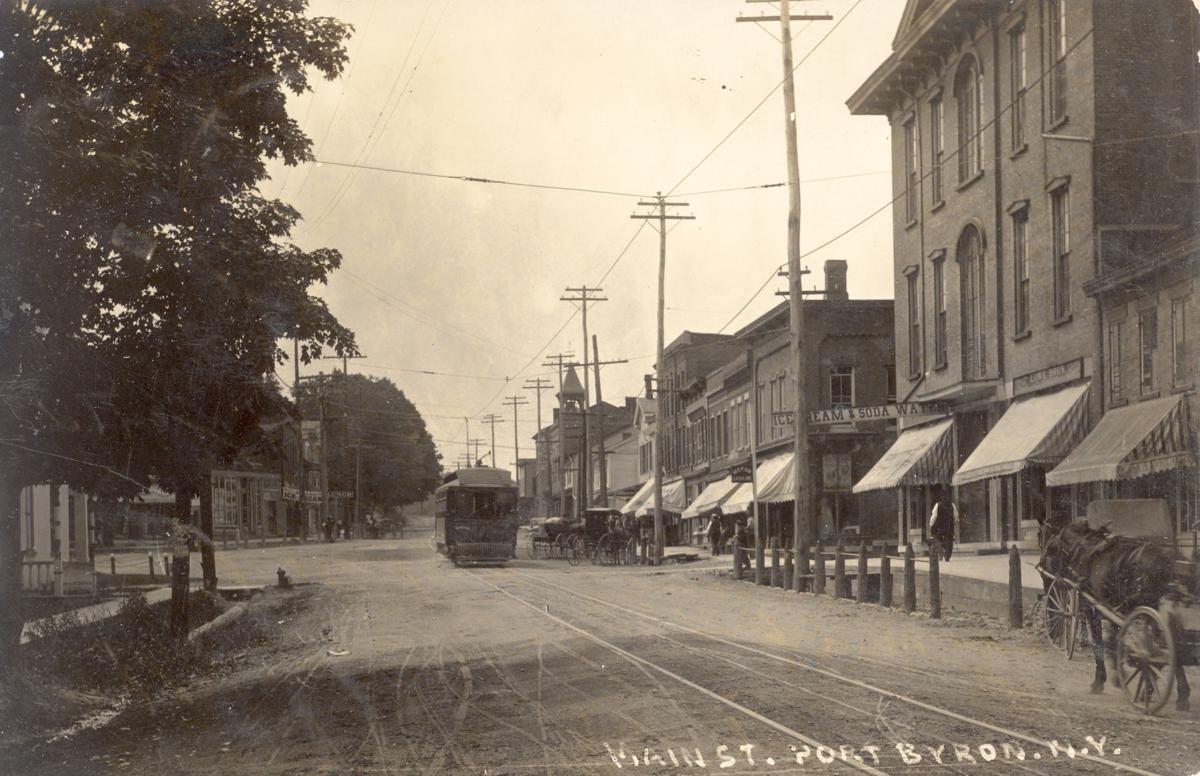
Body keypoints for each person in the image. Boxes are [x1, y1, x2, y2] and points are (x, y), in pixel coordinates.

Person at [929, 491, 958, 562]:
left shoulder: (938, 505)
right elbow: (956, 516)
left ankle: (941, 553)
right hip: (949, 526)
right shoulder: (952, 505)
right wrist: (953, 523)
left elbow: (934, 516)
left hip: (939, 526)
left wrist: (931, 525)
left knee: (936, 539)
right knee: (949, 541)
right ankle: (947, 556)